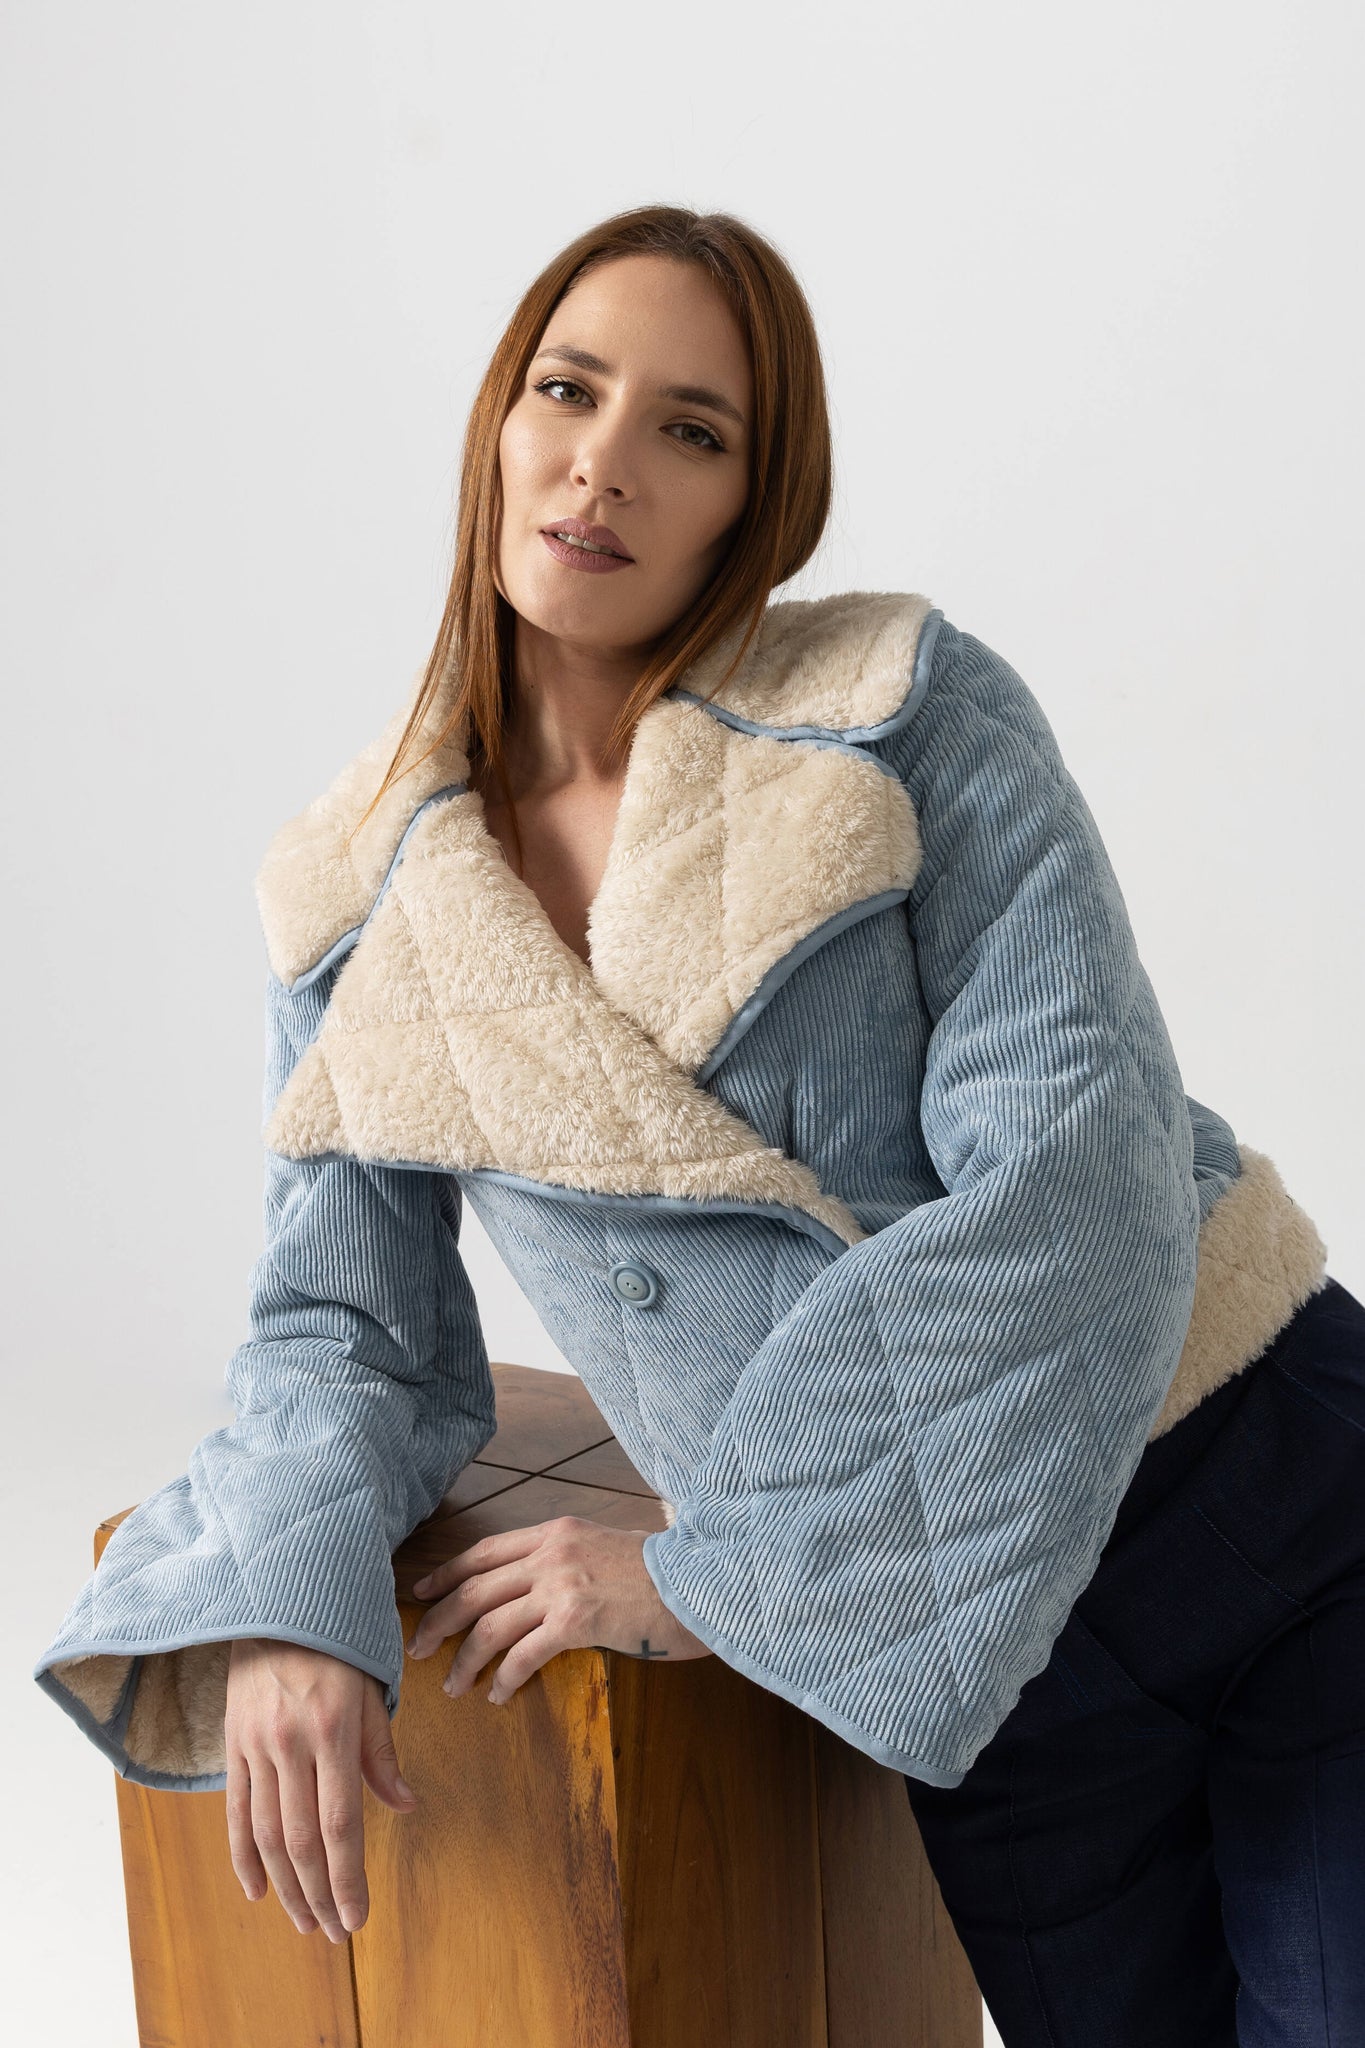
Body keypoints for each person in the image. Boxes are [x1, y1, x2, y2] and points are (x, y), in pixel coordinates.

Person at [32, 203, 1363, 2045]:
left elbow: (1078, 1181)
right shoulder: (354, 904)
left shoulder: (900, 707)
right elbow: (345, 1330)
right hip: (982, 1676)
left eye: (691, 428)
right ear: (498, 423)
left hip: (1262, 1499)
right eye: (567, 390)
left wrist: (722, 1572)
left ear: (758, 501)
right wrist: (284, 1599)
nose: (604, 464)